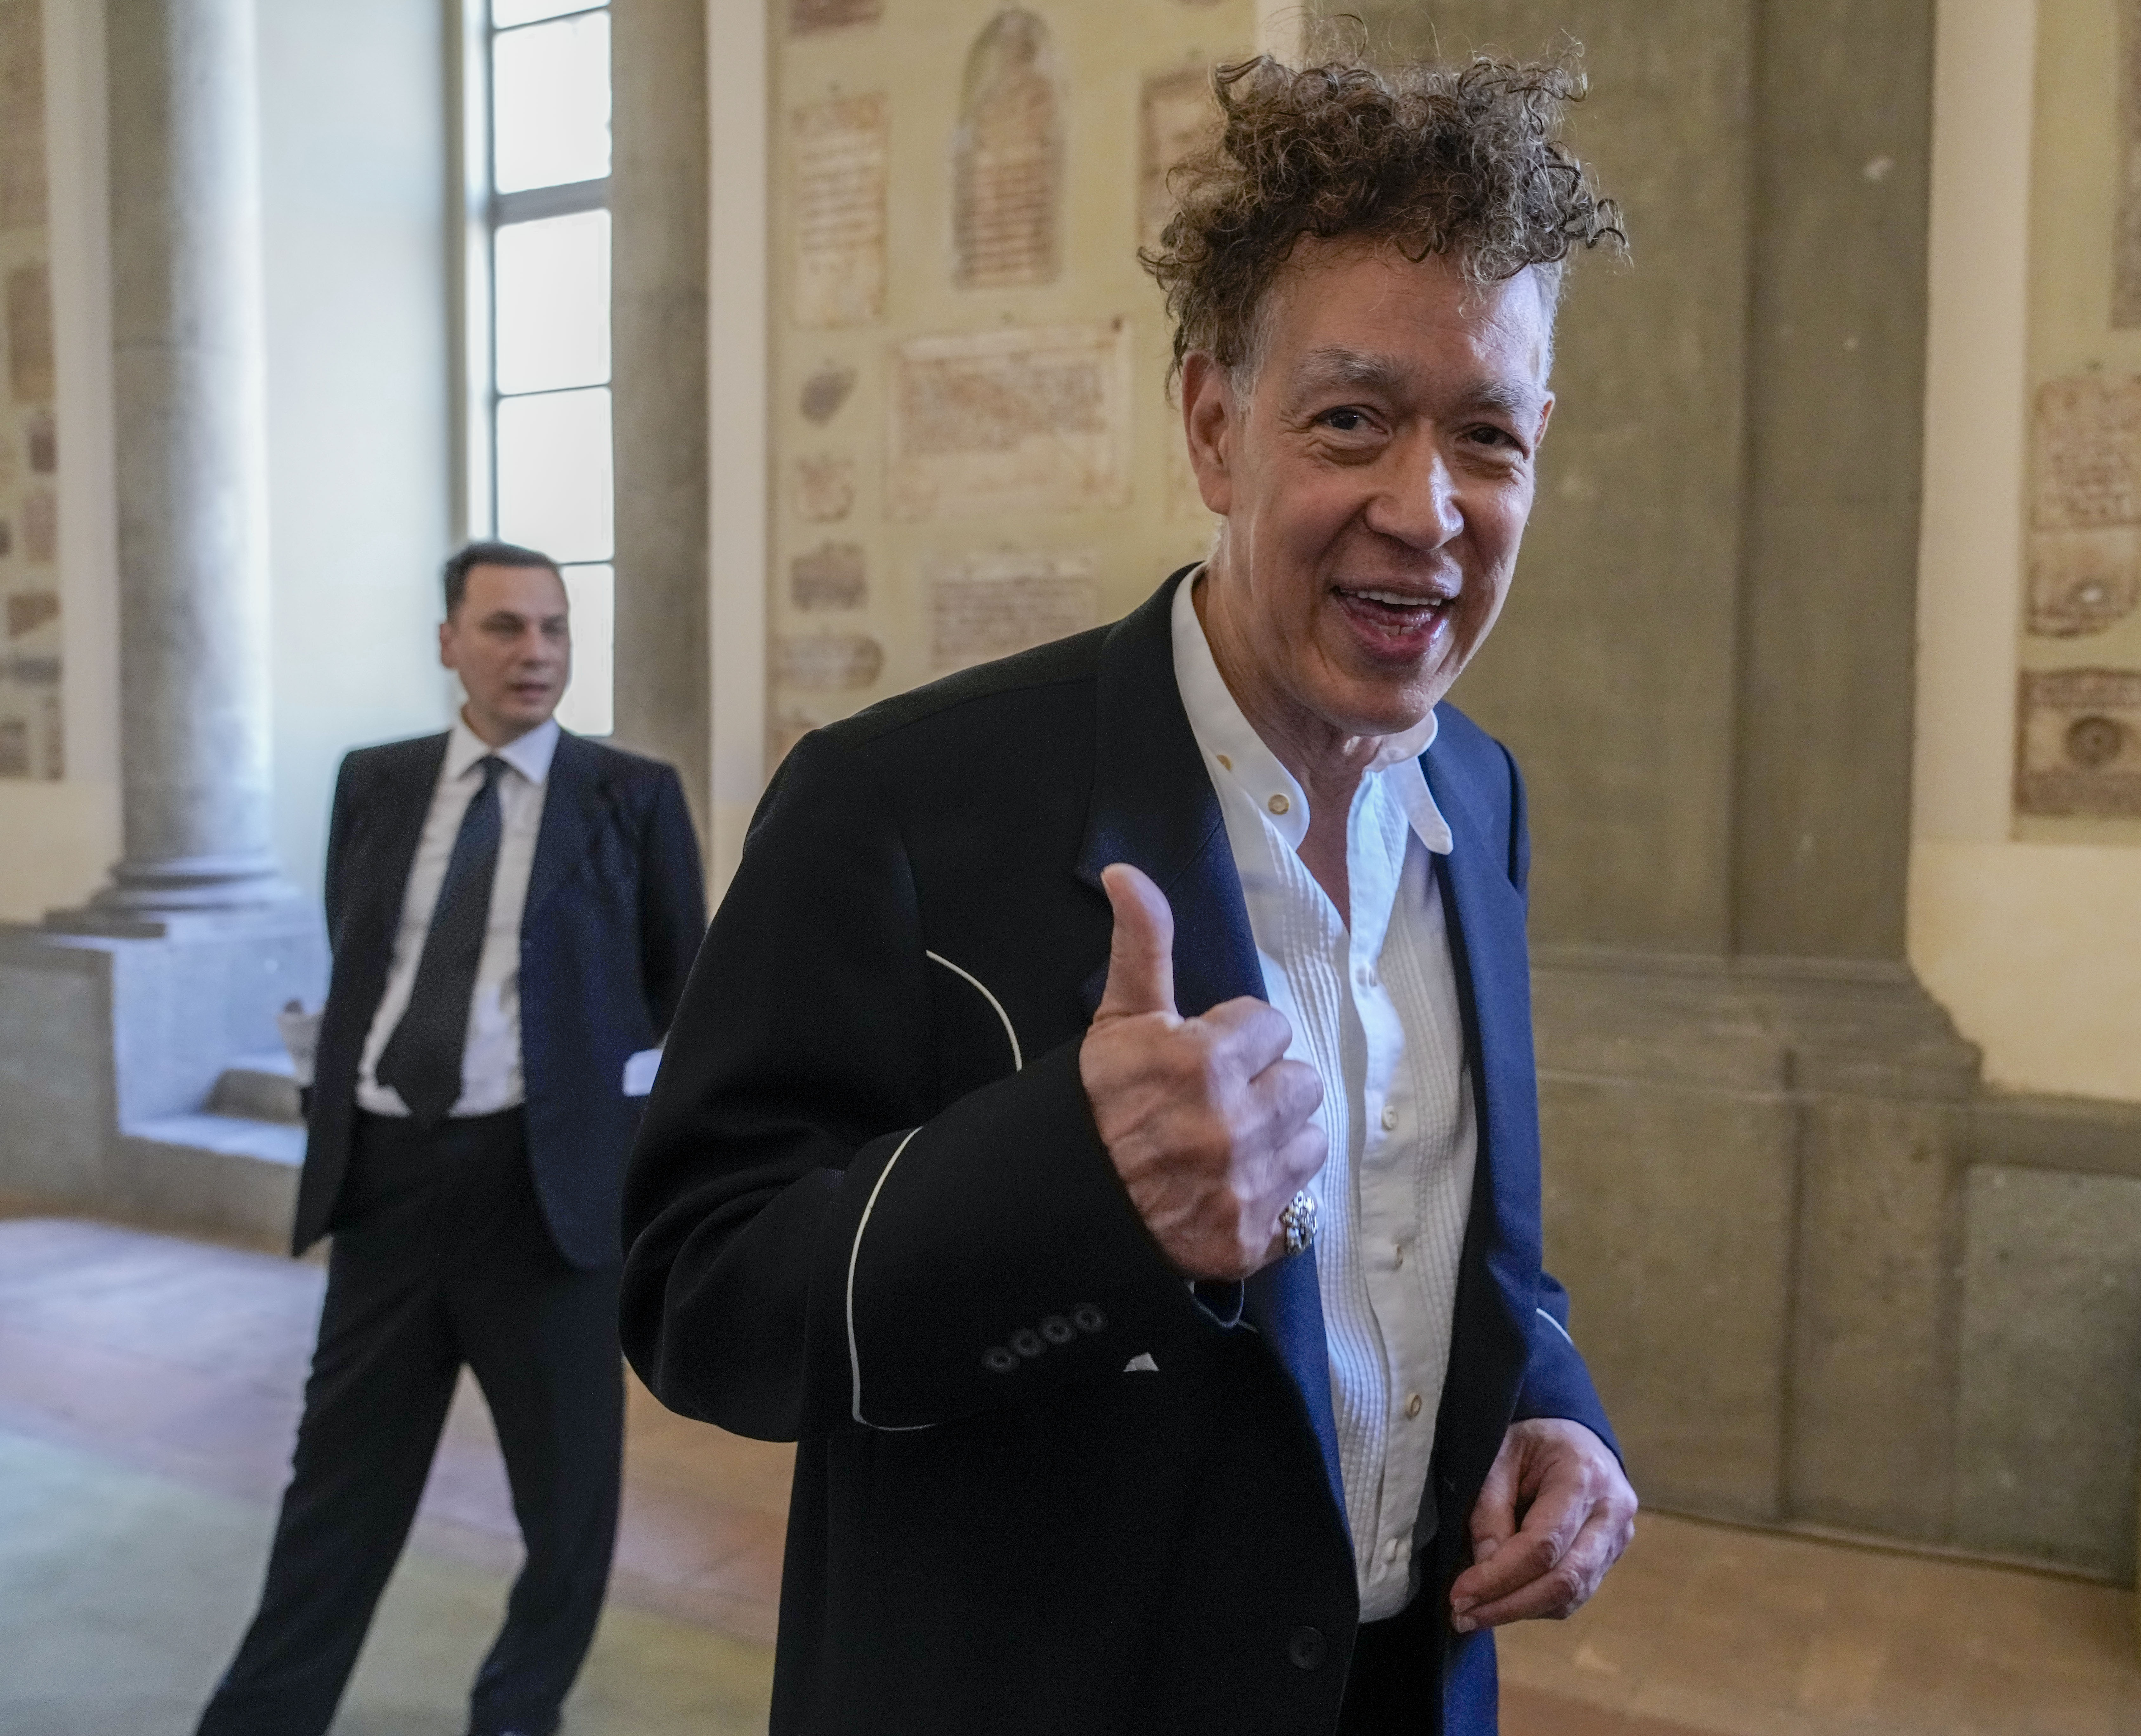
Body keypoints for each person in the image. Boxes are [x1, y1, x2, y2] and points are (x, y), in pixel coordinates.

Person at [623, 50, 1634, 1736]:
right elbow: (694, 1291)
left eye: (1487, 434)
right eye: (1353, 418)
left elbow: (1471, 1245)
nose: (1427, 510)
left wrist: (1554, 1407)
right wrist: (1063, 1186)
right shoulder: (898, 803)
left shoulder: (1481, 791)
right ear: (1216, 426)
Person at [198, 542, 707, 1736]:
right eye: (505, 629)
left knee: (568, 1513)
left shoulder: (631, 797)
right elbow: (359, 952)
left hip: (544, 1201)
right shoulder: (372, 783)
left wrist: (622, 1171)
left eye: (555, 630)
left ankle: (513, 1719)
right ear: (448, 644)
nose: (535, 653)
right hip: (384, 1185)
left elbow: (678, 995)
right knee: (334, 1500)